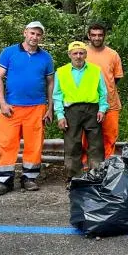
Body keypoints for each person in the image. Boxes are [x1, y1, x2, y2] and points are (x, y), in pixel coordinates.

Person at [0, 21, 54, 196]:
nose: (35, 37)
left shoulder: (46, 57)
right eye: (32, 33)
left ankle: (29, 178)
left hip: (37, 107)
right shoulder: (9, 52)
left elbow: (50, 83)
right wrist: (2, 103)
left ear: (42, 37)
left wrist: (50, 108)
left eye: (38, 34)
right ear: (25, 32)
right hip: (11, 107)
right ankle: (4, 180)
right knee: (6, 143)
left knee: (34, 145)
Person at [53, 41, 108, 186]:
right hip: (71, 111)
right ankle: (73, 177)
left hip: (92, 110)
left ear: (86, 54)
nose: (78, 56)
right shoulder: (61, 72)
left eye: (81, 53)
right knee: (72, 144)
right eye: (75, 53)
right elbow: (57, 95)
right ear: (69, 54)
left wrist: (102, 109)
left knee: (96, 144)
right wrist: (60, 115)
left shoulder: (96, 70)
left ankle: (96, 175)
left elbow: (103, 92)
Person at [85, 22, 123, 158]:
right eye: (94, 35)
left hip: (110, 103)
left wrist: (107, 89)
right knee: (86, 137)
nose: (97, 38)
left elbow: (116, 78)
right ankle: (85, 168)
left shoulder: (113, 55)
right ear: (89, 36)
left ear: (104, 36)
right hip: (87, 103)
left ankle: (108, 167)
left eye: (100, 35)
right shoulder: (81, 53)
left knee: (110, 136)